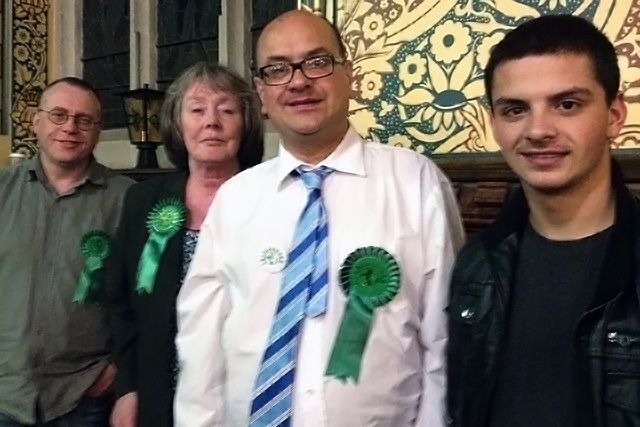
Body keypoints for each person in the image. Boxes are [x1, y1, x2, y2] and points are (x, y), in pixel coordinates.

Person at [175, 10, 465, 427]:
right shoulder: (235, 199)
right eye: (277, 69)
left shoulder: (415, 181)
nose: (297, 81)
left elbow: (443, 340)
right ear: (260, 90)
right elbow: (201, 347)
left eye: (317, 62)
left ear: (348, 73)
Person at [446, 15, 634, 427]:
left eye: (567, 105)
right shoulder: (476, 266)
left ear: (614, 115)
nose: (537, 130)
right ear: (493, 122)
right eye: (515, 109)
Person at [107, 62, 264, 427]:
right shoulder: (143, 201)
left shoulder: (270, 199)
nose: (211, 121)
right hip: (159, 391)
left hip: (246, 392)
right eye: (196, 109)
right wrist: (128, 389)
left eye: (226, 110)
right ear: (178, 124)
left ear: (246, 123)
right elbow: (121, 306)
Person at [0, 77, 134, 426]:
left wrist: (118, 365)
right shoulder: (1, 193)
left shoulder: (128, 199)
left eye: (83, 119)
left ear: (98, 130)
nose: (70, 127)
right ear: (36, 121)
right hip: (6, 393)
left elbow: (146, 295)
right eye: (58, 115)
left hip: (82, 397)